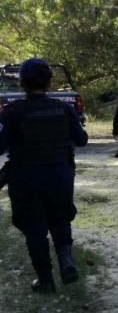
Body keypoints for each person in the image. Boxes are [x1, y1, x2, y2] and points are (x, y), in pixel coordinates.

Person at [0, 58, 88, 293]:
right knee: (60, 220)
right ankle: (66, 260)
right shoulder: (64, 109)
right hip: (60, 175)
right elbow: (81, 140)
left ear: (22, 83)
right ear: (49, 82)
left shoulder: (12, 112)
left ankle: (45, 281)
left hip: (25, 178)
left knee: (34, 229)